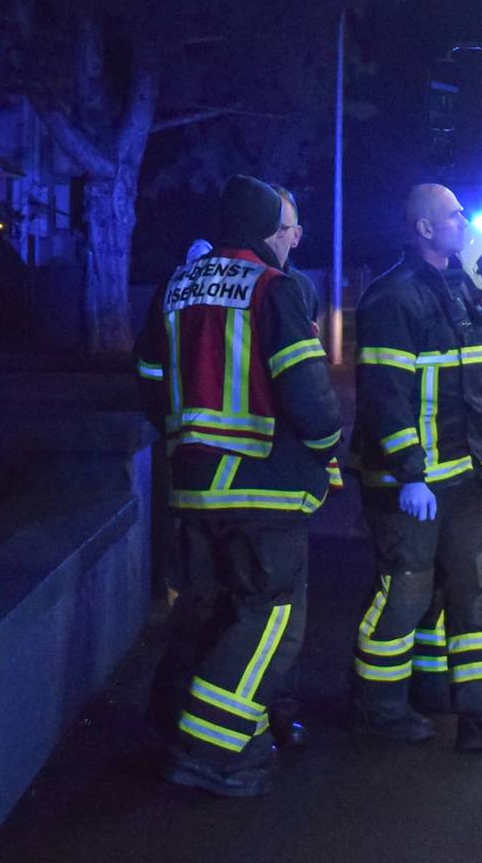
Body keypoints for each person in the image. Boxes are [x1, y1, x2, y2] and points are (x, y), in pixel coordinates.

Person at [133, 177, 344, 796]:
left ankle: (191, 729)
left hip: (193, 486)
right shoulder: (276, 289)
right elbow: (307, 393)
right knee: (269, 621)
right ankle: (210, 752)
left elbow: (148, 379)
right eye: (286, 229)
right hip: (264, 490)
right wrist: (329, 450)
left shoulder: (174, 287)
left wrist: (184, 436)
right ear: (260, 232)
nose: (293, 240)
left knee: (208, 612)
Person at [347, 184, 482, 753]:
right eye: (454, 215)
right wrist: (410, 472)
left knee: (478, 588)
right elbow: (387, 395)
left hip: (458, 477)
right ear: (425, 229)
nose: (464, 221)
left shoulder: (454, 291)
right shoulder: (392, 298)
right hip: (406, 483)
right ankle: (377, 707)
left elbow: (469, 373)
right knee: (405, 592)